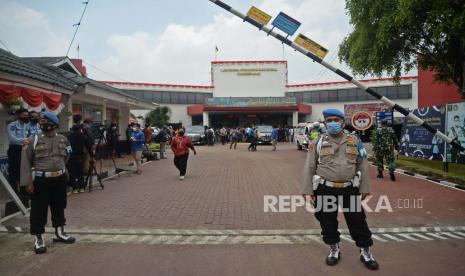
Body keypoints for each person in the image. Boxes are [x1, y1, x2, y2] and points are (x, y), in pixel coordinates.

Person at [302, 108, 378, 271]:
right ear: (324, 123)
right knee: (327, 221)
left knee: (357, 220)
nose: (333, 124)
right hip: (325, 188)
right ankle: (334, 249)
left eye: (336, 120)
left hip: (349, 189)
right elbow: (310, 166)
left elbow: (362, 164)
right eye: (329, 121)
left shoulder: (354, 140)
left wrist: (365, 187)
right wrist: (307, 191)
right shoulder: (317, 142)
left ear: (343, 122)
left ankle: (365, 251)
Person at [20, 111, 76, 254]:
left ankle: (59, 232)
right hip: (41, 180)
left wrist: (61, 170)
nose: (43, 123)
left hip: (59, 179)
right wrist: (28, 183)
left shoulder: (63, 139)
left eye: (46, 121)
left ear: (55, 124)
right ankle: (38, 238)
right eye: (42, 121)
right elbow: (25, 162)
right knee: (39, 210)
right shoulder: (33, 140)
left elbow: (68, 156)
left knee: (59, 206)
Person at [7, 108, 30, 193]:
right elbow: (12, 139)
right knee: (14, 172)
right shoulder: (12, 125)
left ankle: (23, 191)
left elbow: (29, 136)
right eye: (24, 115)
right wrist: (25, 140)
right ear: (18, 115)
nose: (26, 117)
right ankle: (14, 193)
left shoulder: (26, 125)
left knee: (23, 171)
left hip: (24, 149)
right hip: (15, 150)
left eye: (27, 115)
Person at [67, 114, 92, 193]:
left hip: (71, 156)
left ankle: (75, 188)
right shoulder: (82, 135)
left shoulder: (69, 135)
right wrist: (91, 154)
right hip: (80, 155)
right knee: (80, 172)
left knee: (72, 172)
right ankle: (82, 187)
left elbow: (67, 145)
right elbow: (88, 144)